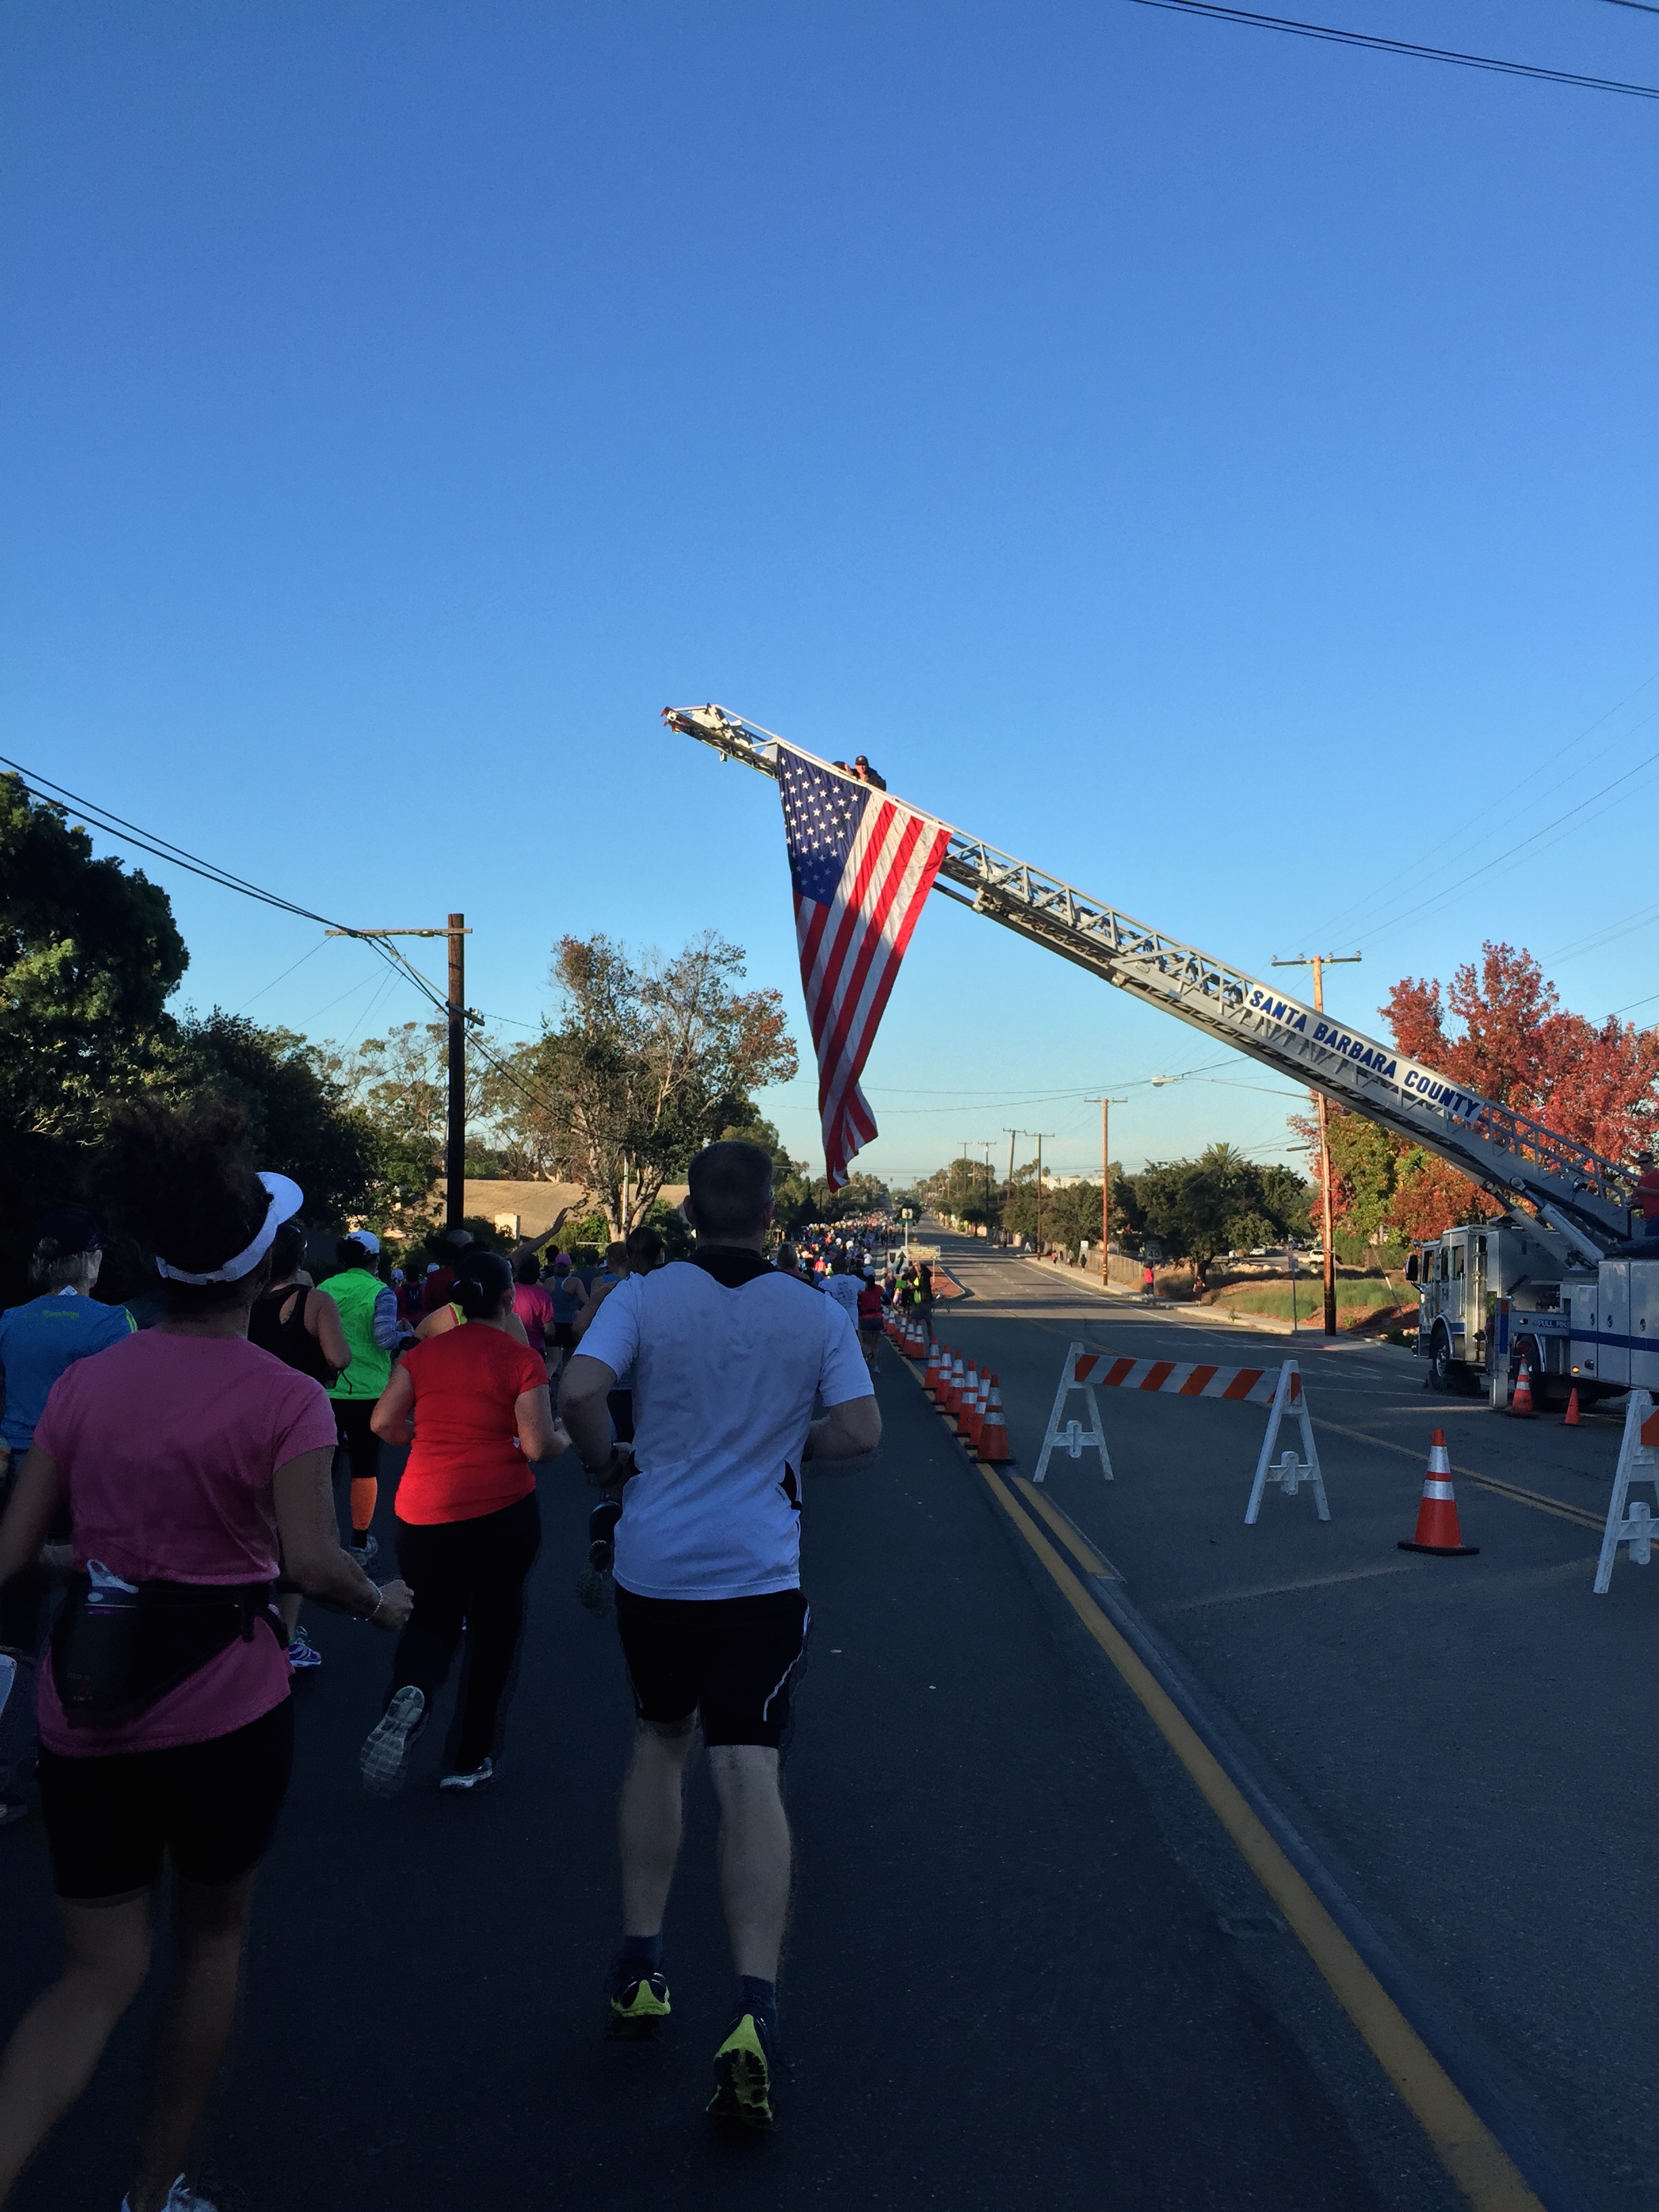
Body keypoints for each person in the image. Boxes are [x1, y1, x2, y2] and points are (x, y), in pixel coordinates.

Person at [0, 1096, 411, 2212]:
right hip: (225, 1706)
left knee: (92, 1974)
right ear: (265, 1268)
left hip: (84, 1697)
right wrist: (381, 1604)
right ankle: (152, 2192)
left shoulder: (89, 1382)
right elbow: (313, 1562)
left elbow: (15, 1551)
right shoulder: (287, 1399)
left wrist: (102, 1558)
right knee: (212, 1943)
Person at [560, 1140, 880, 2131]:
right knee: (748, 1767)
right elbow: (862, 1431)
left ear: (690, 1213)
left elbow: (578, 1392)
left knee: (661, 1740)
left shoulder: (643, 1296)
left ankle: (641, 1966)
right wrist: (788, 1447)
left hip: (656, 1567)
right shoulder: (816, 1311)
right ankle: (753, 2009)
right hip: (756, 1573)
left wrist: (610, 1465)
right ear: (772, 1214)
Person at [363, 1250, 564, 1796]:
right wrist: (565, 1438)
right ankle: (468, 1757)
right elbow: (538, 1446)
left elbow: (382, 1422)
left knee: (431, 1617)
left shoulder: (424, 1355)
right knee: (495, 1628)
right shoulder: (521, 1359)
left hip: (424, 1507)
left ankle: (412, 1689)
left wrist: (419, 1437)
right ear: (508, 1299)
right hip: (502, 1508)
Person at [0, 1210, 136, 1826]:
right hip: (83, 1474)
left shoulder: (11, 1319)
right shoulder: (112, 1322)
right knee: (86, 1609)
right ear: (90, 1260)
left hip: (17, 1474)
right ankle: (64, 1751)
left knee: (14, 1622)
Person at [247, 1221, 352, 1675]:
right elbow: (339, 1357)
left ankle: (249, 1618)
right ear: (302, 1259)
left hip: (248, 1420)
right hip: (301, 1424)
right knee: (298, 1527)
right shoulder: (315, 1302)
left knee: (253, 1520)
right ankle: (286, 1635)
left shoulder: (244, 1299)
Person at [325, 1231, 407, 1565]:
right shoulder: (380, 1292)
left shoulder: (324, 1289)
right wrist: (408, 1336)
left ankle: (319, 1538)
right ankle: (359, 1542)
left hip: (327, 1389)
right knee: (365, 1467)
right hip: (369, 1392)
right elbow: (385, 1338)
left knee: (324, 1468)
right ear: (375, 1260)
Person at [512, 1254, 557, 1372]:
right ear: (537, 1274)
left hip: (510, 1348)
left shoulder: (509, 1292)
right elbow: (550, 1330)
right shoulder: (543, 1297)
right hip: (534, 1349)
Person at [544, 1253, 581, 1385]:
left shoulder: (549, 1282)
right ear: (569, 1266)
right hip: (570, 1324)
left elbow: (543, 1301)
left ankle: (547, 1384)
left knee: (552, 1361)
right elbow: (586, 1300)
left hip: (554, 1324)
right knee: (568, 1361)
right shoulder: (575, 1282)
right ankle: (565, 1386)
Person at [856, 1268, 885, 1370]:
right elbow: (887, 1300)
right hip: (877, 1317)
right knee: (875, 1343)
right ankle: (876, 1366)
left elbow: (857, 1302)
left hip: (865, 1318)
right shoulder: (879, 1289)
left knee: (865, 1341)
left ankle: (868, 1354)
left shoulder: (861, 1290)